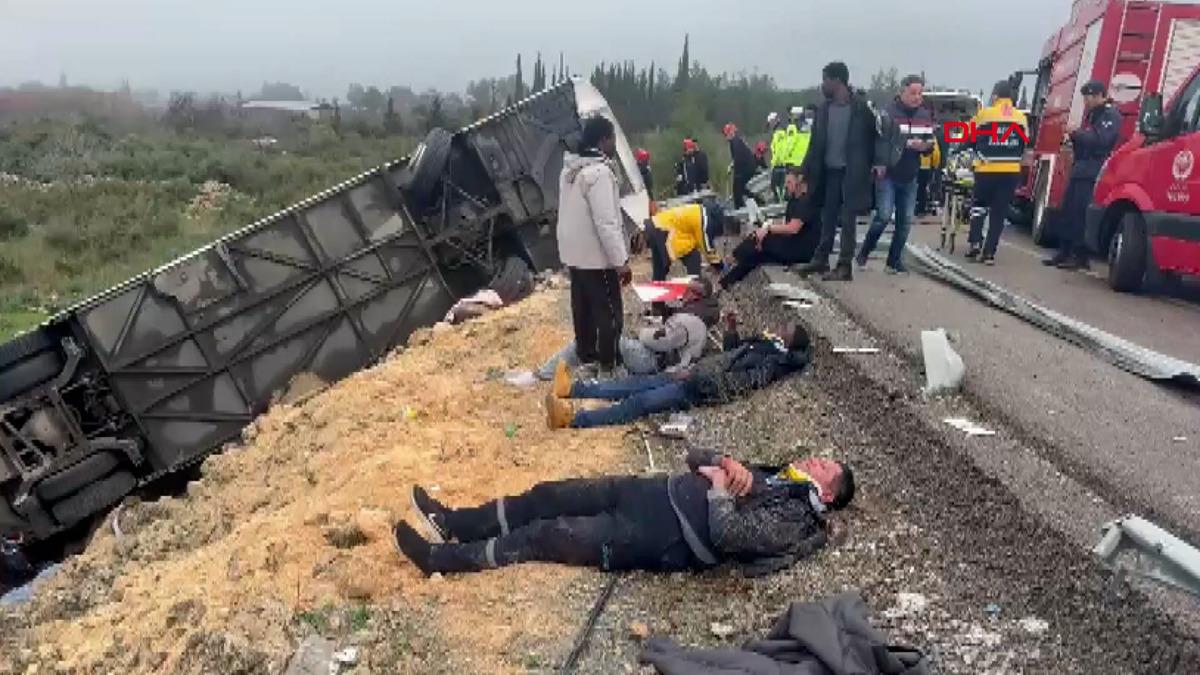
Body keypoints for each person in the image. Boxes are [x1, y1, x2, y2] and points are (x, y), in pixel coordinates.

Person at [395, 447, 855, 577]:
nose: (813, 461)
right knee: (548, 495)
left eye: (823, 468)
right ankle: (452, 522)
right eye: (817, 457)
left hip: (659, 535)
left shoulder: (798, 519)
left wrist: (717, 490)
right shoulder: (774, 475)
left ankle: (441, 561)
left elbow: (731, 537)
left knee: (548, 534)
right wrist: (724, 462)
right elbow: (693, 456)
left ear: (828, 495)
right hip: (644, 491)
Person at [545, 321, 811, 430]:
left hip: (700, 387)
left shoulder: (772, 363)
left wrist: (697, 380)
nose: (778, 327)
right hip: (696, 373)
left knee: (639, 403)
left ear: (787, 342)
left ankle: (572, 419)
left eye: (784, 329)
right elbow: (731, 355)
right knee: (634, 385)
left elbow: (741, 382)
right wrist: (731, 331)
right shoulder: (766, 346)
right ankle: (574, 389)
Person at [796, 62, 886, 282]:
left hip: (852, 172)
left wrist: (879, 162)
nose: (822, 84)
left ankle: (844, 266)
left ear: (837, 81)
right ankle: (821, 259)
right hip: (829, 172)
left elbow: (878, 137)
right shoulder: (824, 110)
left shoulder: (861, 109)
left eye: (825, 79)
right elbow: (814, 144)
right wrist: (802, 171)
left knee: (847, 220)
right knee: (827, 217)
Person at [556, 116, 632, 376]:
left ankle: (586, 359)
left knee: (582, 309)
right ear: (603, 140)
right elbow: (606, 223)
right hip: (597, 258)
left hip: (574, 257)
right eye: (612, 139)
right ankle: (608, 366)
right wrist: (620, 262)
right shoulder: (598, 173)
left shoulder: (569, 172)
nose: (614, 144)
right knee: (609, 313)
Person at [537, 279, 718, 378]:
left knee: (597, 339)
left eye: (687, 290)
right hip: (658, 360)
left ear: (695, 296)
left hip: (652, 361)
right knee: (608, 339)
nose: (683, 293)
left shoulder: (689, 321)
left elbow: (659, 340)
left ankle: (544, 373)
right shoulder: (697, 317)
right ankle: (594, 365)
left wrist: (641, 331)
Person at [857, 74, 936, 274]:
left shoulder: (924, 116)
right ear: (902, 92)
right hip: (888, 174)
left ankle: (893, 261)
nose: (917, 97)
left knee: (905, 221)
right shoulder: (888, 114)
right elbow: (878, 142)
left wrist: (924, 146)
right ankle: (864, 252)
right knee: (883, 216)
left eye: (920, 93)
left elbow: (930, 144)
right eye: (913, 93)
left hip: (910, 174)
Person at [1044, 80, 1121, 270]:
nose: (1085, 101)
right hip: (1080, 168)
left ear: (1099, 96)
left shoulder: (1110, 115)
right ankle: (1064, 252)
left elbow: (1101, 140)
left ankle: (1079, 256)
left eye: (1088, 97)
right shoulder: (1092, 115)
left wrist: (1076, 134)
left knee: (1081, 214)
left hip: (1092, 171)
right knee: (1068, 211)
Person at [720, 169, 820, 289]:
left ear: (799, 182)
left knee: (758, 239)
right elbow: (785, 224)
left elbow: (793, 228)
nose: (786, 186)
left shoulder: (806, 202)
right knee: (757, 255)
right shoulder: (794, 201)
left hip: (801, 250)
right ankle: (726, 283)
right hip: (792, 244)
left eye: (789, 182)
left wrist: (767, 229)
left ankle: (729, 260)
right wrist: (767, 227)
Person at [965, 80, 1030, 265]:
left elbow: (969, 137)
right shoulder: (1021, 118)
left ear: (995, 96)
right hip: (1010, 172)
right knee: (999, 213)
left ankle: (975, 243)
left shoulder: (985, 114)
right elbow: (1024, 143)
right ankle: (989, 253)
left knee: (979, 206)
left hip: (986, 169)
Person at [644, 201, 725, 281]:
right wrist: (720, 265)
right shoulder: (704, 221)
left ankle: (657, 287)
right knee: (693, 255)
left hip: (655, 225)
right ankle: (694, 285)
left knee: (660, 268)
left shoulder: (697, 210)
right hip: (665, 231)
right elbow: (706, 246)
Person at [725, 123, 759, 208]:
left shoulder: (735, 142)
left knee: (737, 188)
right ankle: (756, 199)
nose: (726, 136)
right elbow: (737, 158)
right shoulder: (736, 141)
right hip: (748, 167)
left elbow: (738, 158)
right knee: (741, 188)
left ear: (731, 133)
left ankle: (740, 208)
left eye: (727, 134)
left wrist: (735, 171)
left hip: (746, 168)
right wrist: (732, 165)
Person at [916, 132, 942, 217]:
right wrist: (935, 165)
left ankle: (912, 207)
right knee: (923, 189)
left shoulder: (915, 134)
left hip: (914, 165)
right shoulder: (932, 137)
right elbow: (936, 153)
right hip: (926, 166)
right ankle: (921, 209)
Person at [768, 112, 789, 200]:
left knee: (776, 187)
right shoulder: (782, 130)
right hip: (783, 164)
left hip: (779, 165)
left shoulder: (779, 133)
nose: (770, 125)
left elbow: (779, 150)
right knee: (780, 187)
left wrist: (775, 163)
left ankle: (780, 203)